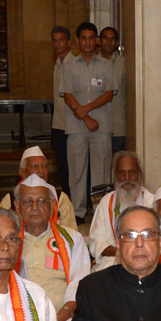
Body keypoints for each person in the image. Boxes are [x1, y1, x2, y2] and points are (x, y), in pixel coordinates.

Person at [12, 173, 89, 321]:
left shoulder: (72, 239)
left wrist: (62, 316)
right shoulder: (8, 240)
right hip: (18, 316)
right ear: (17, 205)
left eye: (41, 201)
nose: (35, 207)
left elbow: (79, 284)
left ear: (52, 205)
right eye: (27, 202)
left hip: (64, 317)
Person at [60, 22, 117, 219]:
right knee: (76, 171)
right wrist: (85, 117)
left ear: (97, 41)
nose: (88, 42)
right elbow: (67, 95)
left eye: (91, 38)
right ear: (77, 41)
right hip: (76, 127)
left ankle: (100, 211)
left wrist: (85, 110)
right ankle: (77, 211)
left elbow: (109, 94)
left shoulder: (107, 65)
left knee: (101, 171)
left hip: (101, 126)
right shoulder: (68, 66)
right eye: (83, 38)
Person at [88, 150, 154, 271]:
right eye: (122, 173)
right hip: (112, 261)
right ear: (116, 176)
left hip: (146, 260)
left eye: (132, 173)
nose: (127, 178)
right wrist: (123, 252)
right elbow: (96, 242)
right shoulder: (106, 202)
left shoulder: (152, 203)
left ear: (139, 174)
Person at [0, 145, 76, 229]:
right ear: (22, 172)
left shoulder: (61, 198)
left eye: (44, 166)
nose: (41, 171)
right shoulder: (10, 199)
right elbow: (0, 230)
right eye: (35, 166)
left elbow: (70, 233)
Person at [50, 25, 76, 198]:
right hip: (58, 123)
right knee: (61, 165)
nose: (58, 44)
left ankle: (74, 199)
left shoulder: (74, 64)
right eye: (55, 40)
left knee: (72, 166)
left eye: (61, 40)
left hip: (71, 124)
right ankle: (66, 198)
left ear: (68, 43)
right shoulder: (58, 63)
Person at [99, 26, 125, 154]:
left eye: (112, 39)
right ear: (99, 41)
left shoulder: (125, 64)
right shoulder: (92, 63)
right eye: (105, 38)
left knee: (116, 165)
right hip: (96, 126)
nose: (109, 42)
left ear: (117, 43)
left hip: (117, 126)